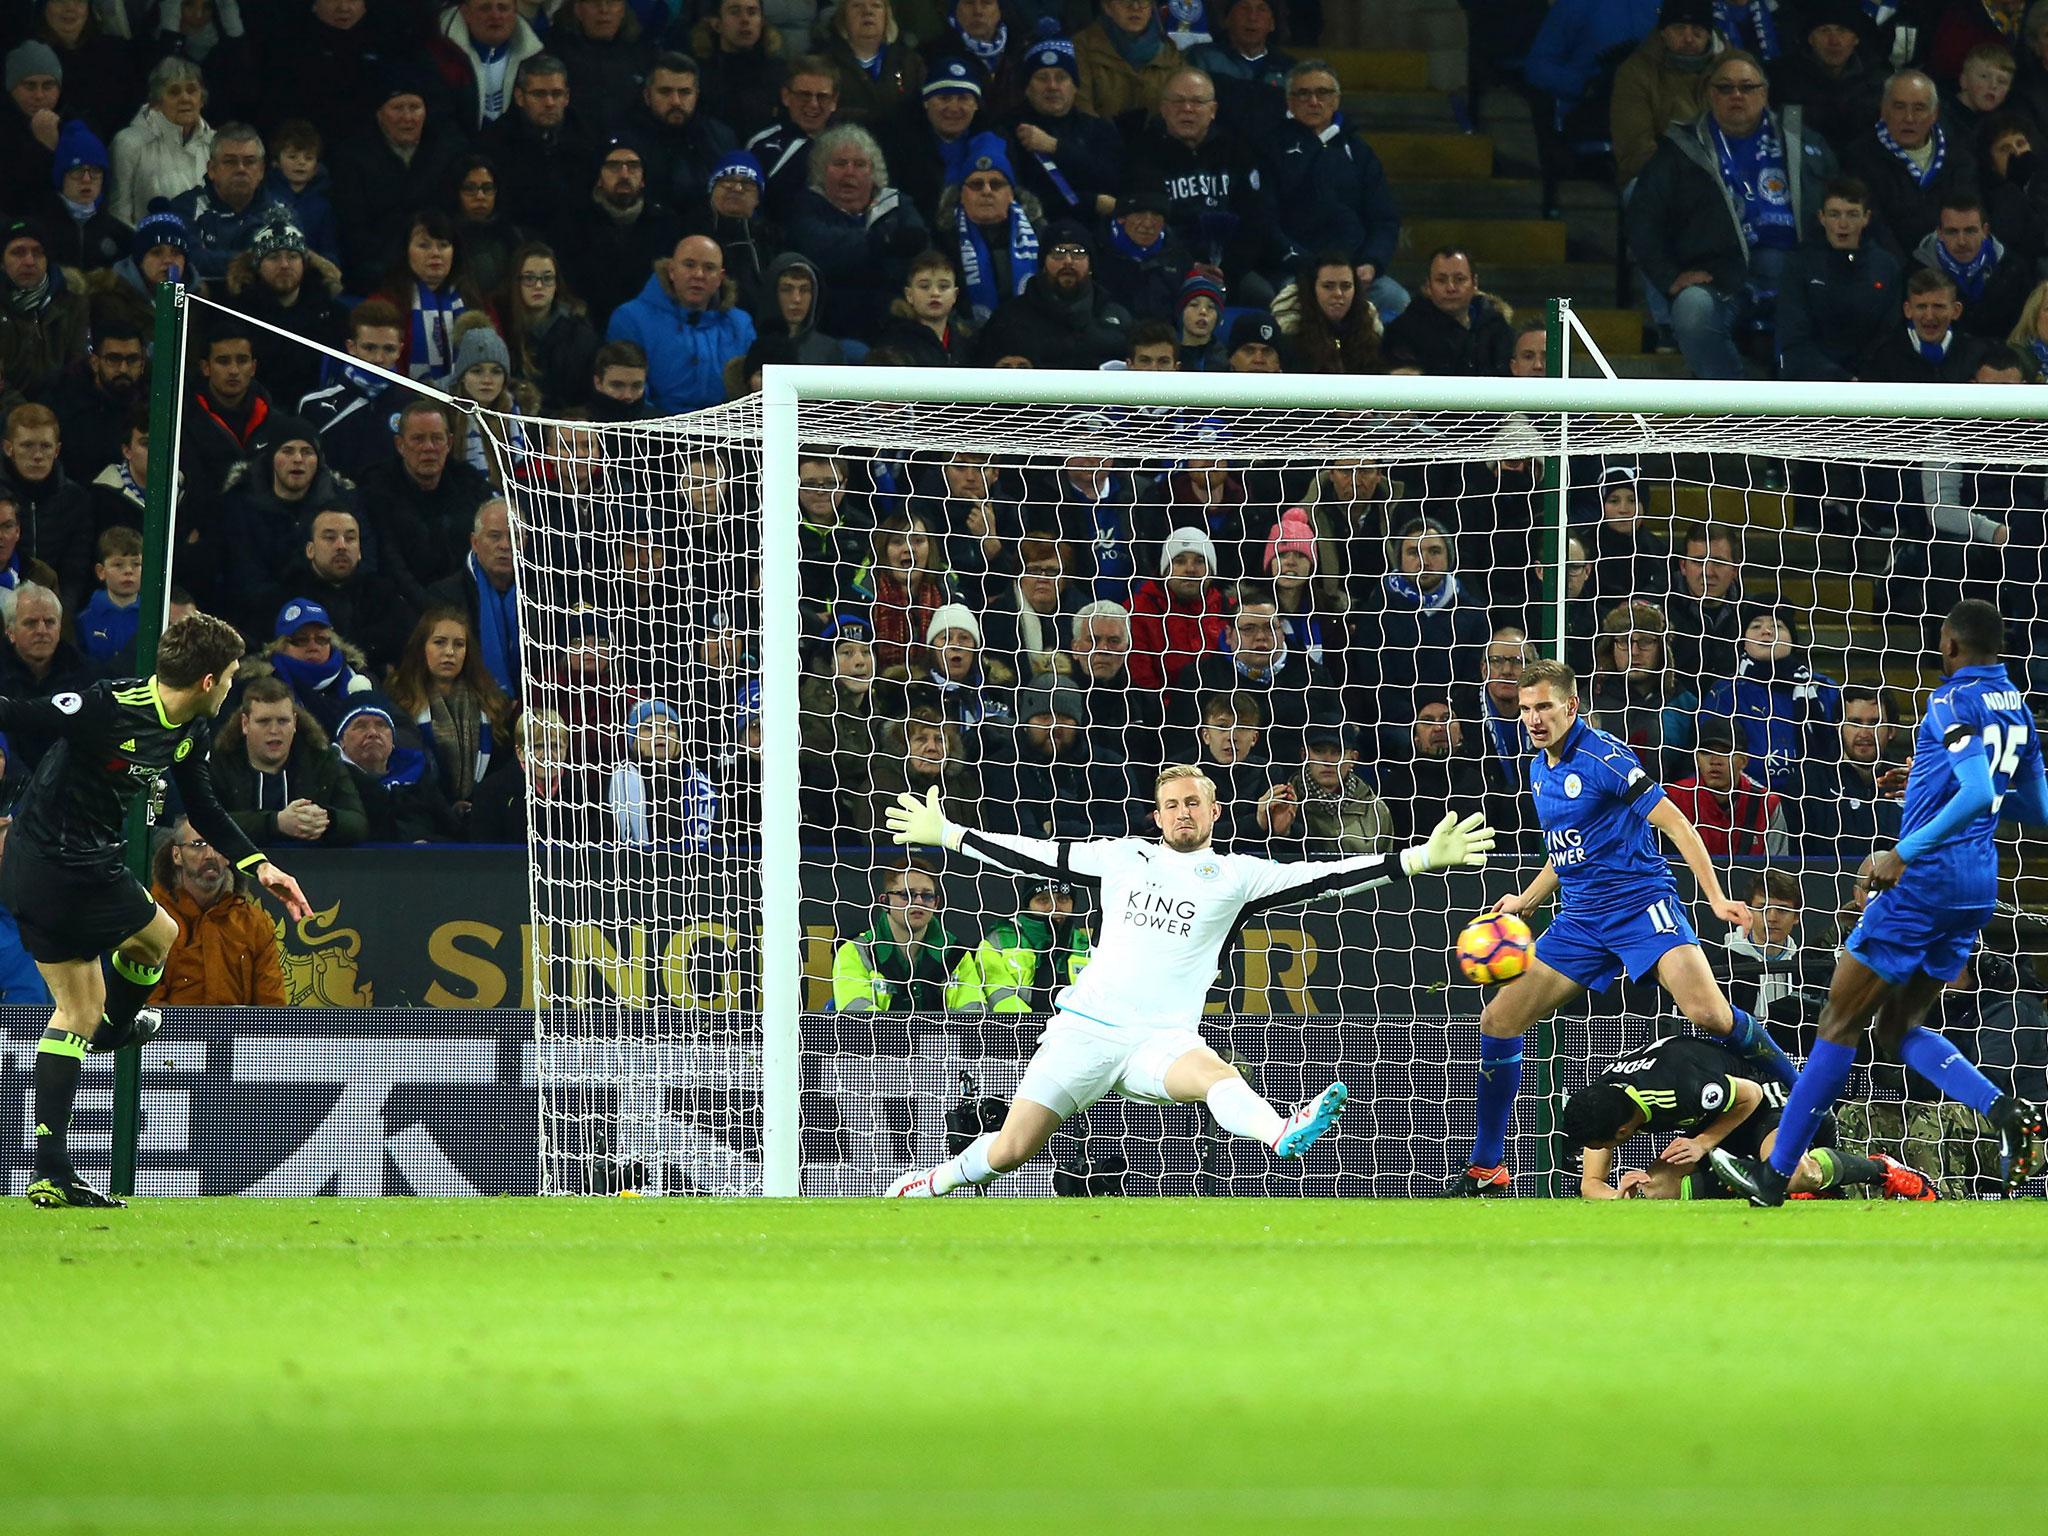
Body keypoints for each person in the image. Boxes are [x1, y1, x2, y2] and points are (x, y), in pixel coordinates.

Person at [879, 768, 1496, 1196]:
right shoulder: (1121, 857)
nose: (1182, 811)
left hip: (1161, 1039)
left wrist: (1417, 858)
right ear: (1157, 814)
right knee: (1012, 1150)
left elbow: (1328, 876)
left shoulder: (1237, 876)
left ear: (1214, 810)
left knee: (1216, 1076)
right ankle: (927, 1182)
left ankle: (1283, 1132)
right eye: (1171, 804)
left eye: (1193, 802)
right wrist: (951, 836)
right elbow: (1034, 854)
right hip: (1086, 1030)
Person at [1713, 600, 2048, 1204]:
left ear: (1948, 646)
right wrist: (1925, 777)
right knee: (1899, 1025)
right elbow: (2032, 807)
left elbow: (1974, 790)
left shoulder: (1949, 700)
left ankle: (1774, 1175)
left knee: (1837, 1021)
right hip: (1977, 887)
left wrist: (1904, 848)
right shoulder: (2018, 707)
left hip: (1924, 881)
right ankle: (2006, 1114)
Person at [1444, 657, 1797, 1197]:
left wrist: (1717, 897)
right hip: (1583, 921)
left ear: (1571, 705)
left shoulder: (1605, 757)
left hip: (1641, 907)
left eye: (1544, 707)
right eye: (1524, 709)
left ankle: (1798, 1097)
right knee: (1498, 1020)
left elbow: (1675, 821)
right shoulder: (1540, 767)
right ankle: (1487, 1165)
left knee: (1709, 1014)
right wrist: (1527, 899)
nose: (1534, 719)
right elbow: (1567, 850)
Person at [0, 613, 311, 1208]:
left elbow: (208, 811)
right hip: (60, 863)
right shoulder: (105, 708)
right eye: (228, 681)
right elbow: (14, 712)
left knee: (74, 1011)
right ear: (207, 681)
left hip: (59, 868)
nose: (229, 691)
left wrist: (261, 866)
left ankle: (49, 1171)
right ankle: (118, 1029)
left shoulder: (186, 732)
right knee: (159, 933)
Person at [1624, 49, 1838, 381]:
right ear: (1710, 94)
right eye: (1724, 87)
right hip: (1722, 276)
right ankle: (1733, 409)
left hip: (1797, 270)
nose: (1736, 95)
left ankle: (1806, 416)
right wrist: (1669, 275)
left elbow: (1840, 202)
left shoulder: (1802, 141)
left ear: (1764, 93)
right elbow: (1642, 218)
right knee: (1693, 309)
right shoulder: (1681, 149)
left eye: (1747, 87)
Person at [1566, 1033, 1933, 1199]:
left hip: (1765, 1101)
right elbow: (1591, 1185)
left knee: (1793, 1175)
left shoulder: (1678, 1086)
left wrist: (1703, 1143)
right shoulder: (1605, 1098)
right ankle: (1759, 1180)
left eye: (1602, 1145)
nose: (1595, 1152)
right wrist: (1619, 1196)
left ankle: (1883, 1169)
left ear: (1623, 1130)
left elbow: (1750, 1094)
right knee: (1655, 1190)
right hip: (1718, 1118)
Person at [1257, 59, 1408, 319]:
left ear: (1336, 100)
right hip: (1297, 272)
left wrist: (1371, 263)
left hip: (1355, 272)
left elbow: (1384, 219)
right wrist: (1308, 267)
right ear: (1289, 102)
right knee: (1289, 310)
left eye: (1322, 93)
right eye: (1303, 94)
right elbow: (1264, 222)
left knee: (1398, 301)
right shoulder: (1270, 149)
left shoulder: (1359, 152)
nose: (1313, 101)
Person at [207, 675, 368, 848]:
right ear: (245, 724)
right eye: (264, 721)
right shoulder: (219, 761)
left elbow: (358, 823)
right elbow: (205, 822)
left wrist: (326, 819)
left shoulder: (322, 759)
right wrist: (275, 823)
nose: (274, 730)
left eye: (283, 721)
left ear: (295, 722)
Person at [385, 606, 517, 810]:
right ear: (421, 647)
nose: (449, 652)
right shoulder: (397, 700)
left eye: (459, 644)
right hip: (423, 814)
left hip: (481, 815)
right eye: (439, 642)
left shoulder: (492, 702)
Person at [148, 816, 287, 1008]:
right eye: (198, 844)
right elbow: (146, 1005)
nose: (210, 854)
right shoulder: (152, 919)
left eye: (218, 845)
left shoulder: (254, 923)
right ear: (176, 855)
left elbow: (272, 1008)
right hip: (171, 1035)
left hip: (238, 1035)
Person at [1776, 176, 1904, 379]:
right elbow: (1794, 338)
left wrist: (1863, 380)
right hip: (1812, 384)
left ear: (1866, 218)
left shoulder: (1886, 266)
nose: (1843, 224)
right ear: (1821, 217)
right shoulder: (1799, 264)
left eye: (1852, 215)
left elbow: (1889, 335)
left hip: (1871, 383)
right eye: (1834, 214)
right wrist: (1840, 379)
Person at [1842, 69, 1978, 260]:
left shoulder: (1958, 158)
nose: (1909, 118)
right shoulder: (1860, 157)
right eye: (1899, 106)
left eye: (1919, 108)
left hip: (1949, 263)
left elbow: (1968, 215)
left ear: (1934, 114)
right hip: (1891, 266)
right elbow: (1872, 224)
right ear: (1883, 109)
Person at [831, 854, 980, 1012]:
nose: (918, 901)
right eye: (906, 895)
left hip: (944, 1037)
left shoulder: (957, 955)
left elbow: (972, 1017)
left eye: (927, 896)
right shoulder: (855, 952)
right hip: (879, 1037)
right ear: (884, 901)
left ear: (936, 903)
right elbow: (857, 1020)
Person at [974, 220, 1135, 366]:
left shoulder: (1117, 316)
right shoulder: (1010, 318)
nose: (1068, 261)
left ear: (1091, 264)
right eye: (1058, 252)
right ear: (1043, 263)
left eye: (1078, 252)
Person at [1609, 0, 1717, 189]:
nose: (1688, 38)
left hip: (1724, 178)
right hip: (1655, 178)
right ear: (1663, 33)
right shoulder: (1636, 72)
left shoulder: (1736, 69)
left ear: (1709, 34)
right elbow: (1634, 146)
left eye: (1697, 30)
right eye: (1679, 28)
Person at [165, 123, 283, 286]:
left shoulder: (280, 212)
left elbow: (286, 266)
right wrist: (256, 259)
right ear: (212, 169)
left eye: (249, 162)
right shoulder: (184, 207)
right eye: (230, 162)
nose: (241, 169)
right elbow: (189, 260)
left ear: (261, 171)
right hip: (199, 305)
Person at [106, 57, 215, 229]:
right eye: (174, 92)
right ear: (156, 102)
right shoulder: (128, 143)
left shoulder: (216, 144)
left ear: (202, 99)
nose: (185, 98)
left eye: (192, 90)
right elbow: (118, 214)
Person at [1913, 189, 2034, 338]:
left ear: (1985, 230)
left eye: (1970, 231)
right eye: (1952, 232)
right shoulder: (1916, 271)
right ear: (1940, 233)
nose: (1961, 241)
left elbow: (2024, 330)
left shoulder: (2013, 270)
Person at [1800, 685, 1907, 850]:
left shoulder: (1908, 782)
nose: (1864, 733)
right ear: (1839, 727)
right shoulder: (1808, 781)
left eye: (1874, 723)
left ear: (1892, 730)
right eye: (1855, 723)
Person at [1664, 715, 1789, 856]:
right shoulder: (1673, 798)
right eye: (1706, 752)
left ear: (1743, 761)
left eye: (1724, 752)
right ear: (1697, 759)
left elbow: (1777, 873)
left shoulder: (1767, 804)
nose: (1714, 761)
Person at [1381, 246, 1514, 375]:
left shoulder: (1497, 327)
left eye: (1460, 279)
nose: (1451, 288)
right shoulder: (1403, 332)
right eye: (1441, 280)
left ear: (1475, 283)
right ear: (1428, 286)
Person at [1071, 0, 1186, 124]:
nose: (1135, 7)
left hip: (1158, 140)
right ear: (1107, 7)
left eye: (1143, 1)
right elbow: (1082, 108)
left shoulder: (1170, 51)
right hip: (1099, 140)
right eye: (1126, 1)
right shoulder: (1082, 47)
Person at [77, 526, 142, 668]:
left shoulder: (152, 617)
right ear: (101, 571)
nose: (128, 571)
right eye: (118, 565)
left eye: (136, 564)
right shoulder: (86, 619)